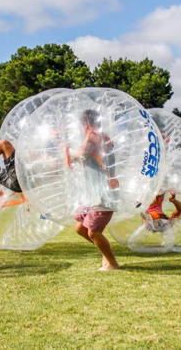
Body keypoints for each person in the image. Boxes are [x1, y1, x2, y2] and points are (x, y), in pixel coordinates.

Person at [66, 109, 119, 271]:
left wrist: (66, 148)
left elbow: (79, 154)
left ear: (86, 124)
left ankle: (112, 263)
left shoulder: (93, 136)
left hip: (101, 194)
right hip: (91, 193)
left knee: (93, 232)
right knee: (80, 228)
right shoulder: (102, 137)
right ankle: (106, 252)